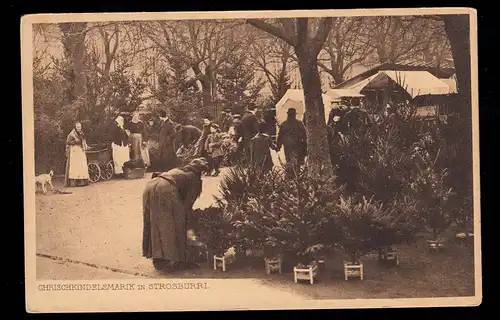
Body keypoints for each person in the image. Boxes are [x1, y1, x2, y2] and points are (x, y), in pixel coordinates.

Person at [143, 158, 209, 271]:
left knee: (155, 223)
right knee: (176, 224)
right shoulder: (194, 178)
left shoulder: (179, 170)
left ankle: (158, 259)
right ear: (201, 171)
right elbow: (187, 204)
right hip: (165, 189)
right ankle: (180, 261)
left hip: (150, 186)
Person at [276, 108, 307, 176]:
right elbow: (305, 135)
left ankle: (290, 176)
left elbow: (280, 136)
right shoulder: (299, 123)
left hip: (287, 146)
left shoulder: (284, 124)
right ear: (294, 115)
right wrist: (305, 146)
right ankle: (296, 176)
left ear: (288, 115)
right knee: (296, 161)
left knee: (289, 161)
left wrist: (278, 146)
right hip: (298, 146)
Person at [64, 121, 90, 187]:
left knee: (82, 166)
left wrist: (84, 144)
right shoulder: (72, 134)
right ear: (75, 127)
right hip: (74, 151)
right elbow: (68, 142)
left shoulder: (81, 133)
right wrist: (75, 141)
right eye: (78, 127)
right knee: (75, 167)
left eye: (80, 127)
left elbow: (83, 140)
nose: (79, 128)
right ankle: (74, 183)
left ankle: (82, 182)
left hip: (80, 151)